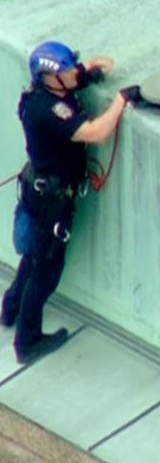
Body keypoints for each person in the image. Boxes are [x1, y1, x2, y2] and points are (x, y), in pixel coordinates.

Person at [1, 41, 141, 365]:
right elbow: (95, 133)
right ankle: (28, 341)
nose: (71, 73)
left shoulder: (46, 92)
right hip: (52, 200)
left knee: (33, 257)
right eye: (63, 71)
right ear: (50, 78)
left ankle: (10, 310)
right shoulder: (46, 111)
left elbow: (89, 68)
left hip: (41, 192)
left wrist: (89, 72)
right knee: (46, 270)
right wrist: (120, 102)